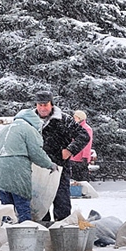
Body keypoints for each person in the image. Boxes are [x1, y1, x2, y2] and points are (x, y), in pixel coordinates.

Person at [0, 107, 57, 223]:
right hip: (16, 173)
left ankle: (6, 234)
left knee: (6, 208)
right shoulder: (28, 129)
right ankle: (25, 233)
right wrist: (50, 164)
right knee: (22, 206)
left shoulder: (5, 129)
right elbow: (36, 153)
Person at [33, 91, 89, 221]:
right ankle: (42, 230)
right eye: (39, 105)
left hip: (59, 167)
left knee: (61, 202)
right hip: (37, 169)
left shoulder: (64, 119)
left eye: (45, 105)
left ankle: (62, 232)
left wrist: (70, 150)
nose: (42, 108)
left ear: (51, 104)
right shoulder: (29, 119)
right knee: (38, 205)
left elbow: (84, 135)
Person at [68, 110, 94, 184]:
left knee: (82, 178)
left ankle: (82, 191)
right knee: (75, 177)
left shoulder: (87, 129)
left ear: (80, 118)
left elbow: (87, 144)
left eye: (75, 117)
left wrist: (85, 157)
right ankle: (77, 191)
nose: (74, 119)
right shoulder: (76, 127)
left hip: (81, 158)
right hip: (74, 156)